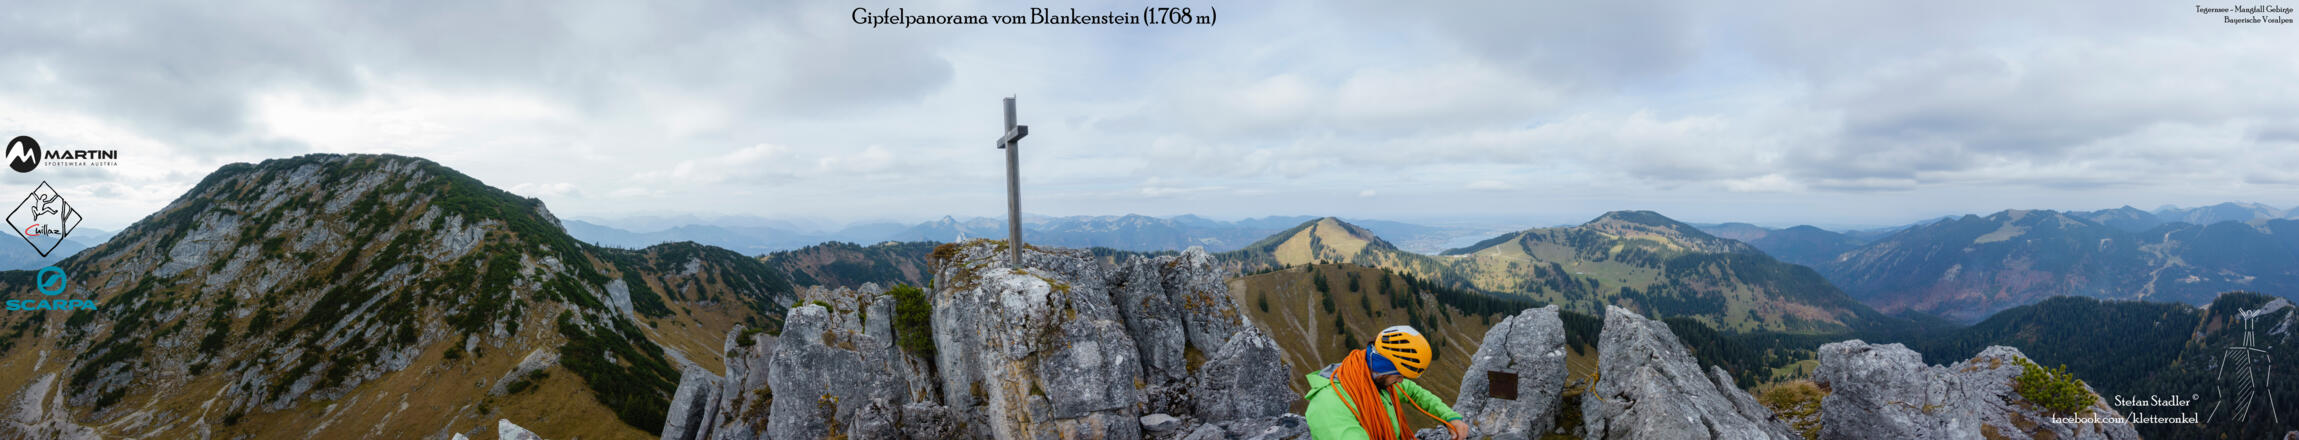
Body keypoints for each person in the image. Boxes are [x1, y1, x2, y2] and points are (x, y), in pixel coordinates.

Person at [1303, 325, 1469, 440]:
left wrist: (1450, 417)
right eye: (1399, 375)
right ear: (1384, 368)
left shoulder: (1376, 379)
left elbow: (1416, 393)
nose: (1401, 381)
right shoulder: (1330, 404)